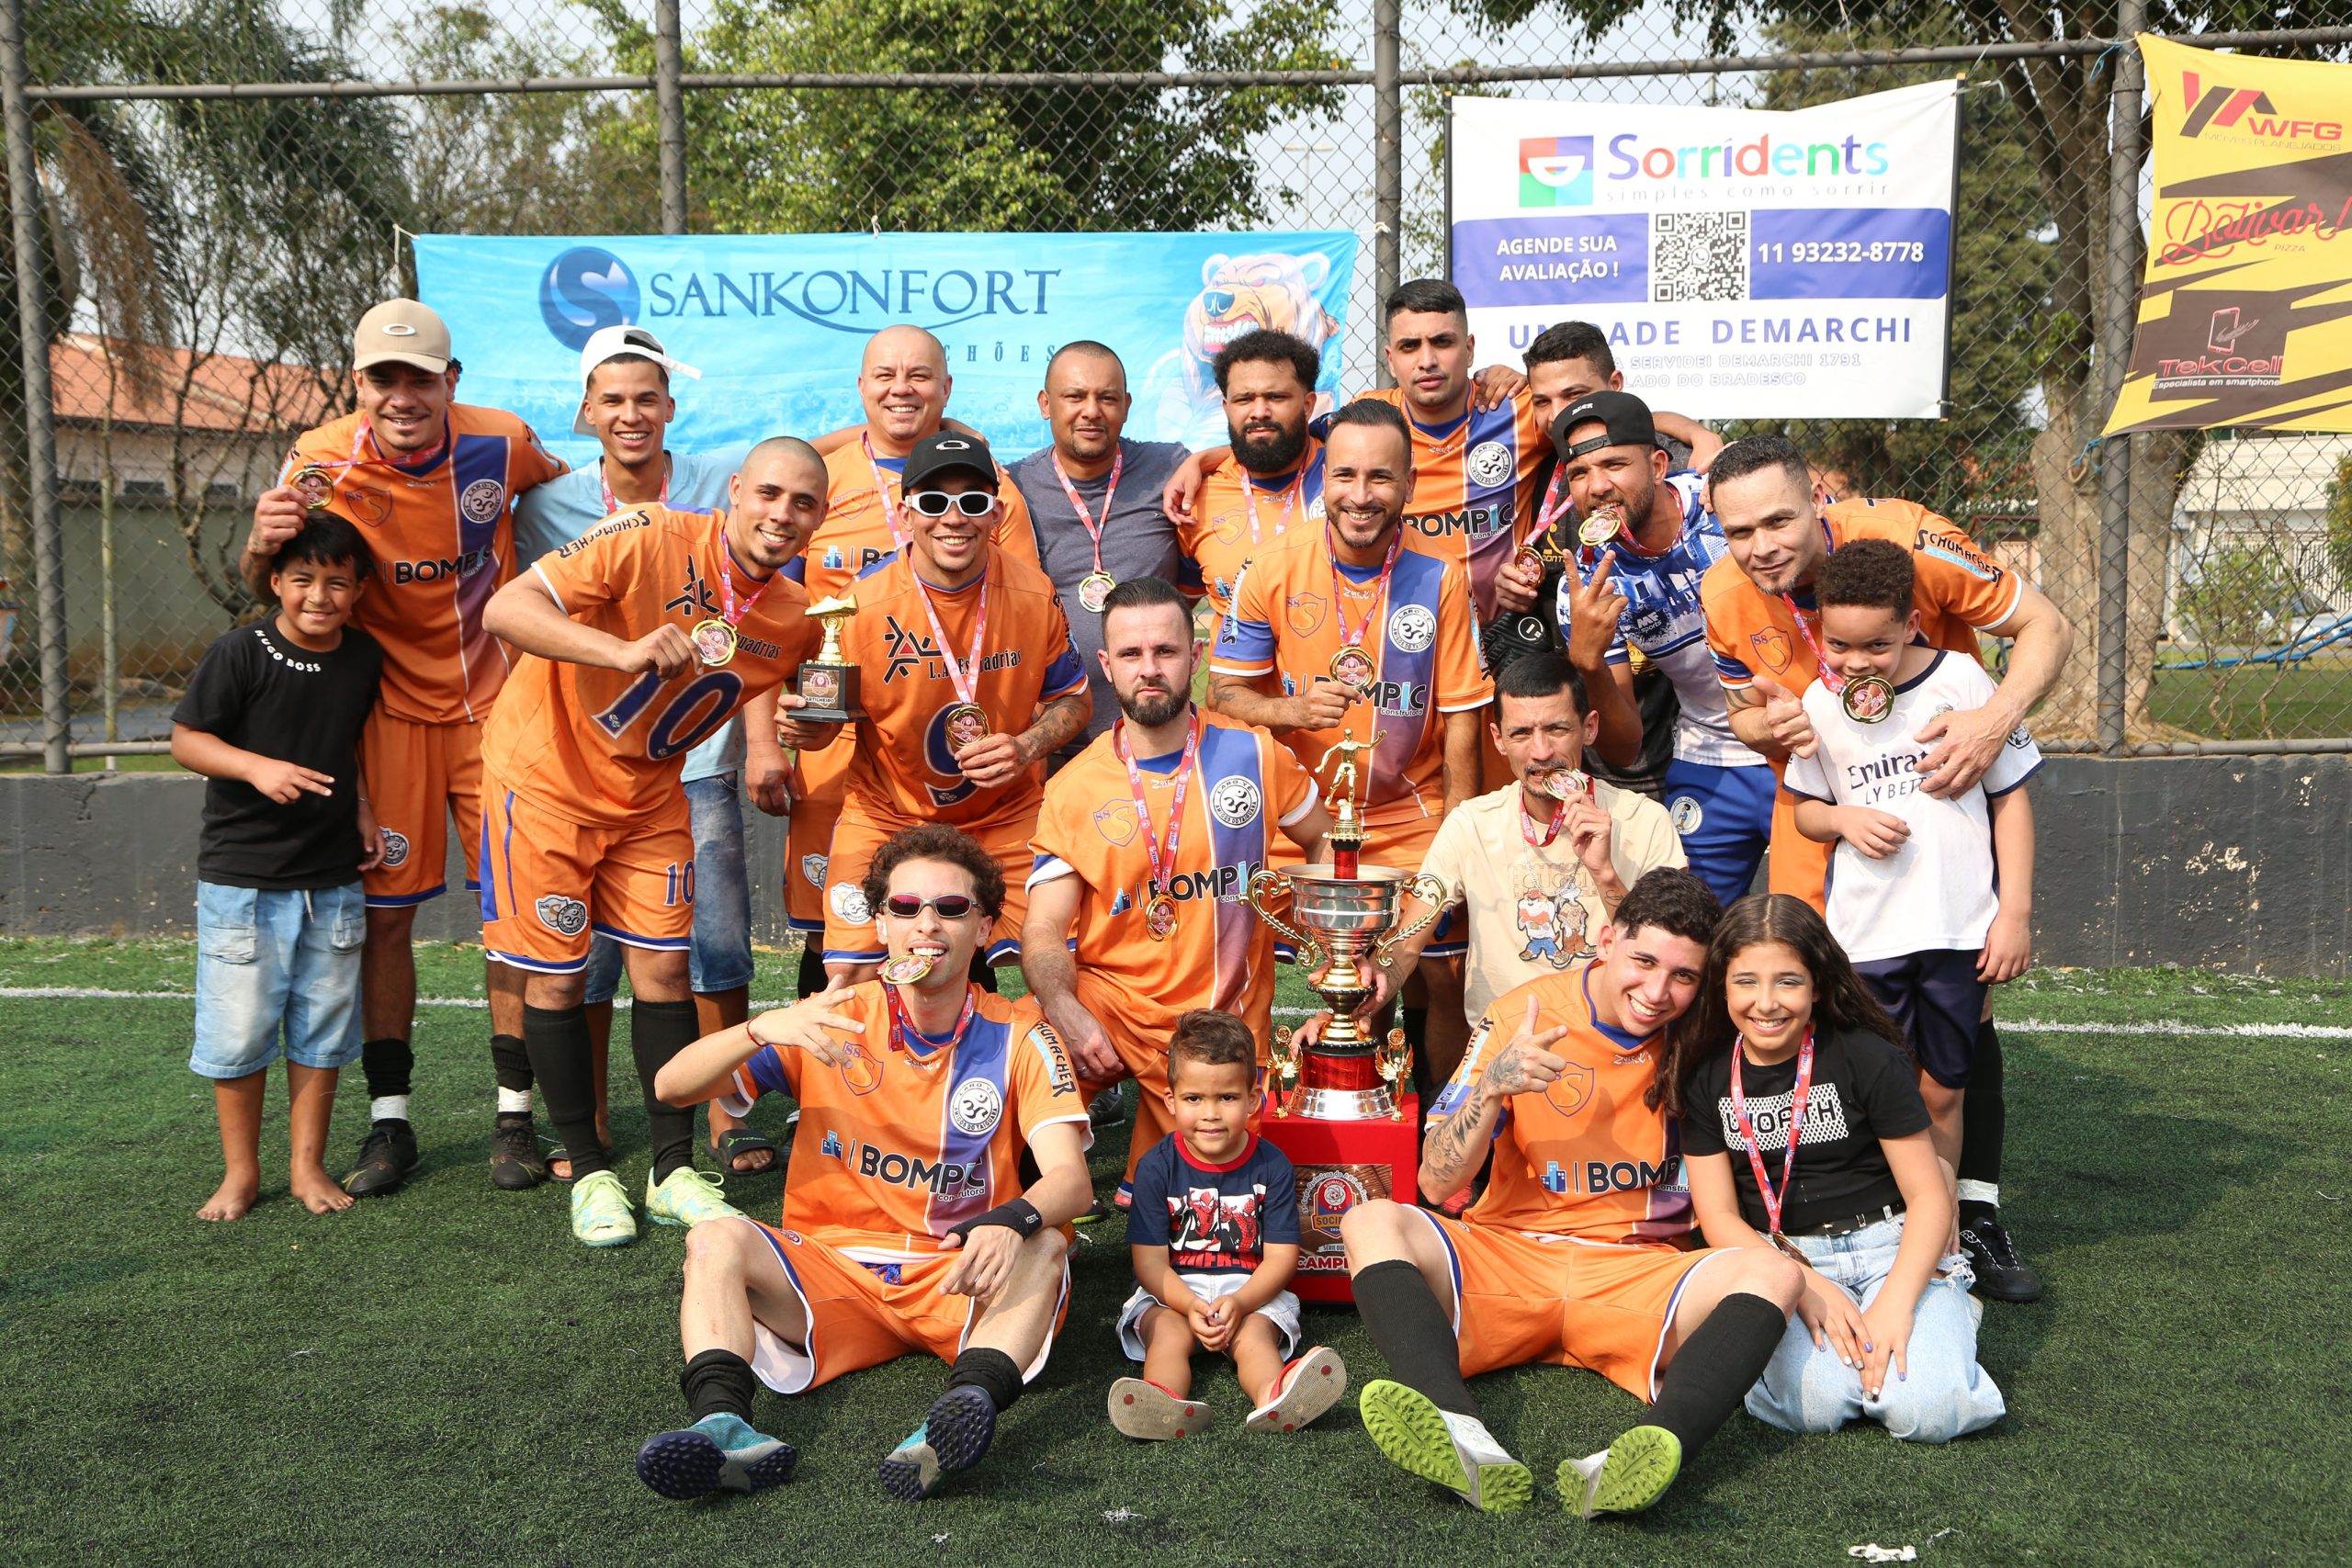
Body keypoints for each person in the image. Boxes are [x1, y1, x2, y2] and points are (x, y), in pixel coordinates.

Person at [1702, 433, 2073, 1300]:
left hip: (1940, 802)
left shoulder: (1906, 537)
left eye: (1779, 521)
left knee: (1957, 1032)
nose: (1761, 546)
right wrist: (1763, 728)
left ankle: (1969, 1215)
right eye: (1738, 530)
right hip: (1825, 823)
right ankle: (1853, 1212)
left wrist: (1997, 717)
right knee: (1827, 1022)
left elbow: (2045, 624)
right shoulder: (1727, 593)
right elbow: (1739, 713)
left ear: (1817, 500)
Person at [636, 826, 1093, 1502]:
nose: (926, 924)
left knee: (1047, 1242)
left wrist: (1008, 1218)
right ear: (880, 924)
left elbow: (1072, 1180)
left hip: (957, 1271)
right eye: (905, 908)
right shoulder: (830, 1018)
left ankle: (954, 1419)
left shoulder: (1022, 1034)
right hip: (832, 1270)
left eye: (951, 908)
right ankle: (723, 1424)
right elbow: (670, 1087)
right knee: (713, 1237)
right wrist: (759, 1028)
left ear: (984, 926)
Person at [1338, 869, 1804, 1519]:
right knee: (1369, 1218)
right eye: (1644, 961)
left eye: (1684, 975)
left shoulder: (1707, 1033)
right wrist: (1495, 1088)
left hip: (1639, 1274)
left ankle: (1644, 1455)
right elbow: (1436, 1181)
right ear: (1607, 938)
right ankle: (1459, 1431)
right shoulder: (1520, 1014)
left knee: (1775, 1273)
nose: (1658, 991)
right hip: (1506, 1255)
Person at [242, 299, 567, 1198]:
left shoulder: (501, 444)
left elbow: (575, 512)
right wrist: (257, 545)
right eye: (384, 379)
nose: (402, 395)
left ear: (449, 382)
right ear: (358, 384)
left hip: (498, 712)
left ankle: (515, 1117)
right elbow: (266, 577)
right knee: (386, 921)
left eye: (419, 378)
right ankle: (392, 1123)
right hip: (386, 720)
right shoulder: (316, 459)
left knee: (514, 922)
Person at [476, 438, 828, 1248]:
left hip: (649, 793)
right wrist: (621, 650)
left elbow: (766, 680)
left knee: (669, 969)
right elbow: (507, 610)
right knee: (561, 981)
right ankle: (590, 1164)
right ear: (736, 490)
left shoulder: (792, 618)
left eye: (803, 504)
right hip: (547, 781)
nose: (782, 514)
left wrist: (786, 728)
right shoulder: (648, 531)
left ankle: (670, 1171)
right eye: (769, 493)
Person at [514, 323, 780, 1181]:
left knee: (710, 951)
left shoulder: (718, 486)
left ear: (672, 407)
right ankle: (583, 1132)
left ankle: (719, 1122)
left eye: (648, 399)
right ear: (587, 411)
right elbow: (522, 614)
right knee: (579, 963)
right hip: (570, 765)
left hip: (685, 770)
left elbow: (819, 459)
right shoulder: (548, 506)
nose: (632, 415)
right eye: (614, 401)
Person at [1208, 400, 1494, 1082]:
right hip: (1302, 822)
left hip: (1408, 812)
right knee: (1238, 953)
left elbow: (1462, 730)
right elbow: (1221, 693)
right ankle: (1263, 1110)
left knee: (1444, 971)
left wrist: (1453, 851)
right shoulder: (1271, 566)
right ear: (1323, 480)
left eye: (1380, 478)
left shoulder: (1442, 577)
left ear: (1410, 483)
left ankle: (1431, 1122)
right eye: (1344, 476)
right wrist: (1291, 707)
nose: (1360, 496)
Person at [1023, 576, 1332, 1198]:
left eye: (1165, 651)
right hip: (1115, 1013)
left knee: (1213, 1211)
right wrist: (1066, 1012)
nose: (1150, 669)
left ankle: (1156, 1151)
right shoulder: (1073, 788)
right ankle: (1045, 1196)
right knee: (1029, 1047)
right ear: (1107, 666)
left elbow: (1327, 844)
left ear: (1195, 656)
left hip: (1224, 1027)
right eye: (1132, 655)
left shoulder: (1256, 755)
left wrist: (1335, 951)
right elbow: (1042, 929)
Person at [1782, 539, 2041, 1283]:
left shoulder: (1961, 679)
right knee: (1874, 1086)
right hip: (1864, 937)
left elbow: (2010, 797)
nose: (1858, 662)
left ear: (1913, 623)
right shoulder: (1818, 702)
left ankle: (1945, 1239)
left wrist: (2013, 912)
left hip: (1957, 927)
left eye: (1877, 644)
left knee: (1943, 1086)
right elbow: (1808, 812)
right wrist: (1845, 822)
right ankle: (1876, 1227)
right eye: (1839, 644)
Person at [1668, 893, 2007, 1442]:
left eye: (1789, 981)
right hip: (1781, 1262)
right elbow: (1719, 1218)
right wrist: (1804, 1285)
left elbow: (1926, 1197)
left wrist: (1896, 1306)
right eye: (1746, 981)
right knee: (1818, 1407)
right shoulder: (1706, 1076)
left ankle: (1949, 1308)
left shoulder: (1865, 1056)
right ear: (1722, 986)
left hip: (1888, 1249)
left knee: (1928, 1411)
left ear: (1818, 985)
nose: (1767, 1002)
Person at [780, 326, 1042, 998]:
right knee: (841, 933)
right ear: (861, 387)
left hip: (971, 752)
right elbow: (770, 615)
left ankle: (971, 1075)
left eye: (920, 376)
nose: (902, 388)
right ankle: (838, 1088)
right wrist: (770, 736)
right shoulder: (817, 475)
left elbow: (1017, 612)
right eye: (886, 375)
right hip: (846, 746)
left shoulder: (996, 488)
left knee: (960, 915)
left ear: (946, 389)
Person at [816, 431, 1091, 987]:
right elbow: (823, 726)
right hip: (889, 813)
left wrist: (1027, 745)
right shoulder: (858, 607)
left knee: (1062, 968)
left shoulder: (1035, 595)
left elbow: (1075, 699)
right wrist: (799, 726)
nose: (954, 518)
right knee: (848, 976)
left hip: (1005, 815)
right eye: (934, 501)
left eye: (972, 501)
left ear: (995, 511)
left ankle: (1038, 1073)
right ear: (907, 512)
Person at [172, 514, 385, 1222]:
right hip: (244, 882)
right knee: (238, 1033)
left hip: (332, 881)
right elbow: (187, 738)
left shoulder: (362, 657)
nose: (319, 595)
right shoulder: (240, 651)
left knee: (322, 1027)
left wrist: (361, 811)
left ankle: (307, 1166)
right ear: (275, 581)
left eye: (336, 582)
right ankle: (240, 1172)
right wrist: (254, 767)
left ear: (357, 591)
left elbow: (346, 743)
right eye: (303, 579)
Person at [1350, 656, 1686, 1044]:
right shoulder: (1471, 824)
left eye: (1557, 729)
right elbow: (1407, 946)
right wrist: (1352, 1001)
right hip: (1501, 1045)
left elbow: (1667, 955)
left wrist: (1604, 873)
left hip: (1610, 1042)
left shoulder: (1645, 821)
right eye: (1521, 733)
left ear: (1589, 728)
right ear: (1498, 739)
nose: (1541, 752)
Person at [1552, 391, 1775, 907]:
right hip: (1710, 755)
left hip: (1804, 738)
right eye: (1580, 473)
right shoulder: (1584, 583)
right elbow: (1623, 747)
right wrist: (1588, 663)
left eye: (1613, 464)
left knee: (1822, 925)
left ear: (1657, 465)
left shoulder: (1722, 499)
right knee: (1686, 927)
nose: (1598, 486)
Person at [1110, 1010, 1347, 1439]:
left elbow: (1280, 1259)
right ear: (1171, 1101)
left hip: (1250, 1291)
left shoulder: (1271, 1164)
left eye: (1228, 1098)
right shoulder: (1155, 1167)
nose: (1211, 1114)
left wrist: (1239, 1303)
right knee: (1165, 1334)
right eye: (1194, 1098)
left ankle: (1275, 1396)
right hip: (1174, 1294)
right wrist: (1188, 1305)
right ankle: (1160, 1402)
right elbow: (1149, 1264)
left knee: (1255, 1338)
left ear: (1254, 1099)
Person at [1511, 321, 1703, 793]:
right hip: (1607, 734)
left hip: (1683, 726)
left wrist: (1700, 434)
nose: (1559, 416)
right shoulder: (1530, 463)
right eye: (1543, 401)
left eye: (1574, 395)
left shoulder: (1703, 487)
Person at [1007, 342, 1198, 761]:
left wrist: (1206, 458)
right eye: (1074, 396)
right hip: (1053, 736)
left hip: (1157, 735)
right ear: (1046, 403)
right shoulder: (1014, 486)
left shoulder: (1169, 468)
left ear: (1126, 405)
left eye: (1106, 397)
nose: (1091, 410)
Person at [1180, 329, 1329, 622]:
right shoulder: (1194, 500)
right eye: (1244, 399)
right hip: (1234, 668)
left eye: (1276, 396)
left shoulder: (1347, 477)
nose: (1259, 412)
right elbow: (1179, 609)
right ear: (1227, 408)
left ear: (1308, 405)